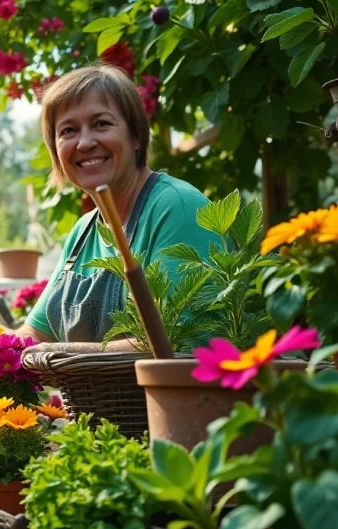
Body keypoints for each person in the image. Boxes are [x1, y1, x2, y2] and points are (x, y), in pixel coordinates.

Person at [13, 65, 218, 352]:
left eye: (101, 124)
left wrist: (59, 353)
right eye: (68, 130)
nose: (85, 143)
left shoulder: (176, 207)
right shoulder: (84, 231)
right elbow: (36, 333)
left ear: (136, 136)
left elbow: (179, 342)